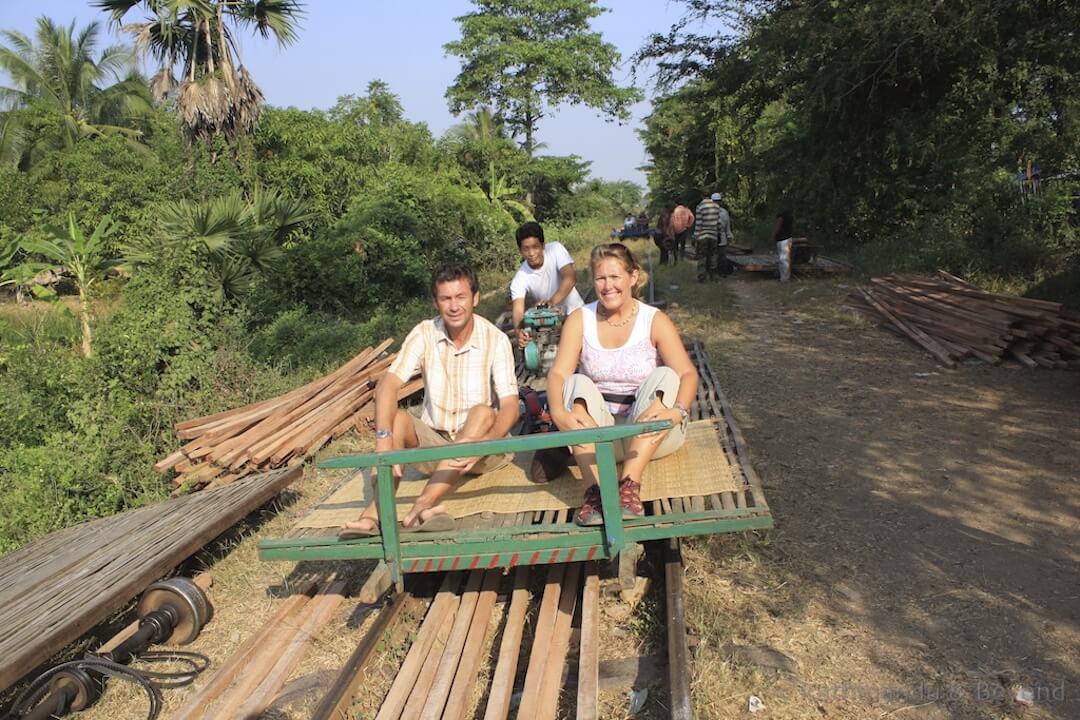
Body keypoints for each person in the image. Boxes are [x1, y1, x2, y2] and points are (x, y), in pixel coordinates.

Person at [340, 263, 519, 538]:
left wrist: (485, 442)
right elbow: (388, 384)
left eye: (461, 297)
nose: (454, 306)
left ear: (475, 297)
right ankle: (373, 515)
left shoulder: (495, 339)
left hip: (482, 449)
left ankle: (424, 504)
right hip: (436, 443)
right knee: (398, 419)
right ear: (436, 302)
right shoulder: (425, 333)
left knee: (484, 412)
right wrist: (383, 442)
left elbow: (509, 405)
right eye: (446, 299)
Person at [545, 243, 700, 525]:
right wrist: (558, 412)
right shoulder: (580, 319)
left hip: (652, 435)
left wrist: (677, 412)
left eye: (615, 277)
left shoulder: (654, 320)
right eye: (601, 278)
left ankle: (629, 485)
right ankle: (595, 492)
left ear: (633, 277)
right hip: (601, 439)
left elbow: (688, 374)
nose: (608, 286)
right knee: (575, 382)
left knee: (666, 376)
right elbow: (557, 374)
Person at [510, 221, 585, 348]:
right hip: (550, 327)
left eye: (535, 247)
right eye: (526, 249)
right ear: (520, 251)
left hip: (575, 314)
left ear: (543, 245)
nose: (532, 253)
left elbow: (570, 278)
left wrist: (550, 302)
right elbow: (518, 311)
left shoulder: (555, 249)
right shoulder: (519, 279)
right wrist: (519, 332)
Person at [693, 192, 732, 281]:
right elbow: (718, 223)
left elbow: (698, 224)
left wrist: (695, 237)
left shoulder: (700, 206)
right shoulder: (716, 207)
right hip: (713, 236)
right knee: (713, 256)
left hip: (702, 236)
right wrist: (718, 234)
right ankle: (713, 276)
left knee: (702, 256)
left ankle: (702, 277)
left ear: (702, 196)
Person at [771, 208, 794, 282]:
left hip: (783, 239)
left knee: (783, 259)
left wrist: (773, 235)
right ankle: (784, 277)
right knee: (784, 259)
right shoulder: (789, 215)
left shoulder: (782, 216)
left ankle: (785, 278)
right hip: (787, 238)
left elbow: (778, 226)